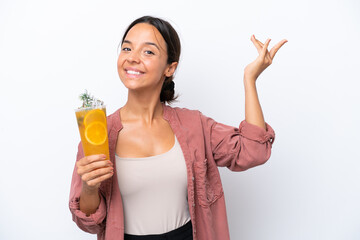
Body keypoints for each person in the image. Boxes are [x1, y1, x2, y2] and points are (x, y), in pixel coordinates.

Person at [69, 16, 287, 240]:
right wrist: (89, 187)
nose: (132, 58)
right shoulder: (97, 133)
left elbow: (253, 151)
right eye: (127, 48)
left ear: (170, 68)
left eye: (148, 52)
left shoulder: (195, 125)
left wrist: (250, 80)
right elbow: (89, 223)